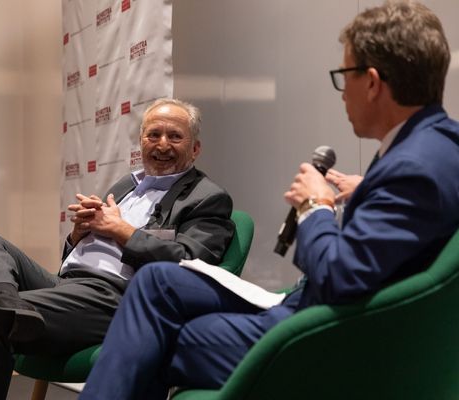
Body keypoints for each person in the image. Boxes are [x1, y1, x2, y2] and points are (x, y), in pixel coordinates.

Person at [78, 2, 459, 399]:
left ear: (373, 82)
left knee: (158, 336)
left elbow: (338, 278)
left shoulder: (414, 167)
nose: (343, 92)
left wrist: (316, 206)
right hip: (322, 309)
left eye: (345, 76)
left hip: (328, 336)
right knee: (159, 281)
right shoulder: (435, 148)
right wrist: (368, 189)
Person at [0, 98, 235, 399]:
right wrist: (78, 236)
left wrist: (123, 232)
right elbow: (77, 259)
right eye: (153, 134)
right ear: (141, 142)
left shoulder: (206, 197)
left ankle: (0, 308)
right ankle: (4, 301)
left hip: (116, 297)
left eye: (174, 136)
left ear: (194, 149)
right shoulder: (124, 187)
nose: (162, 144)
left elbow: (192, 263)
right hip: (68, 284)